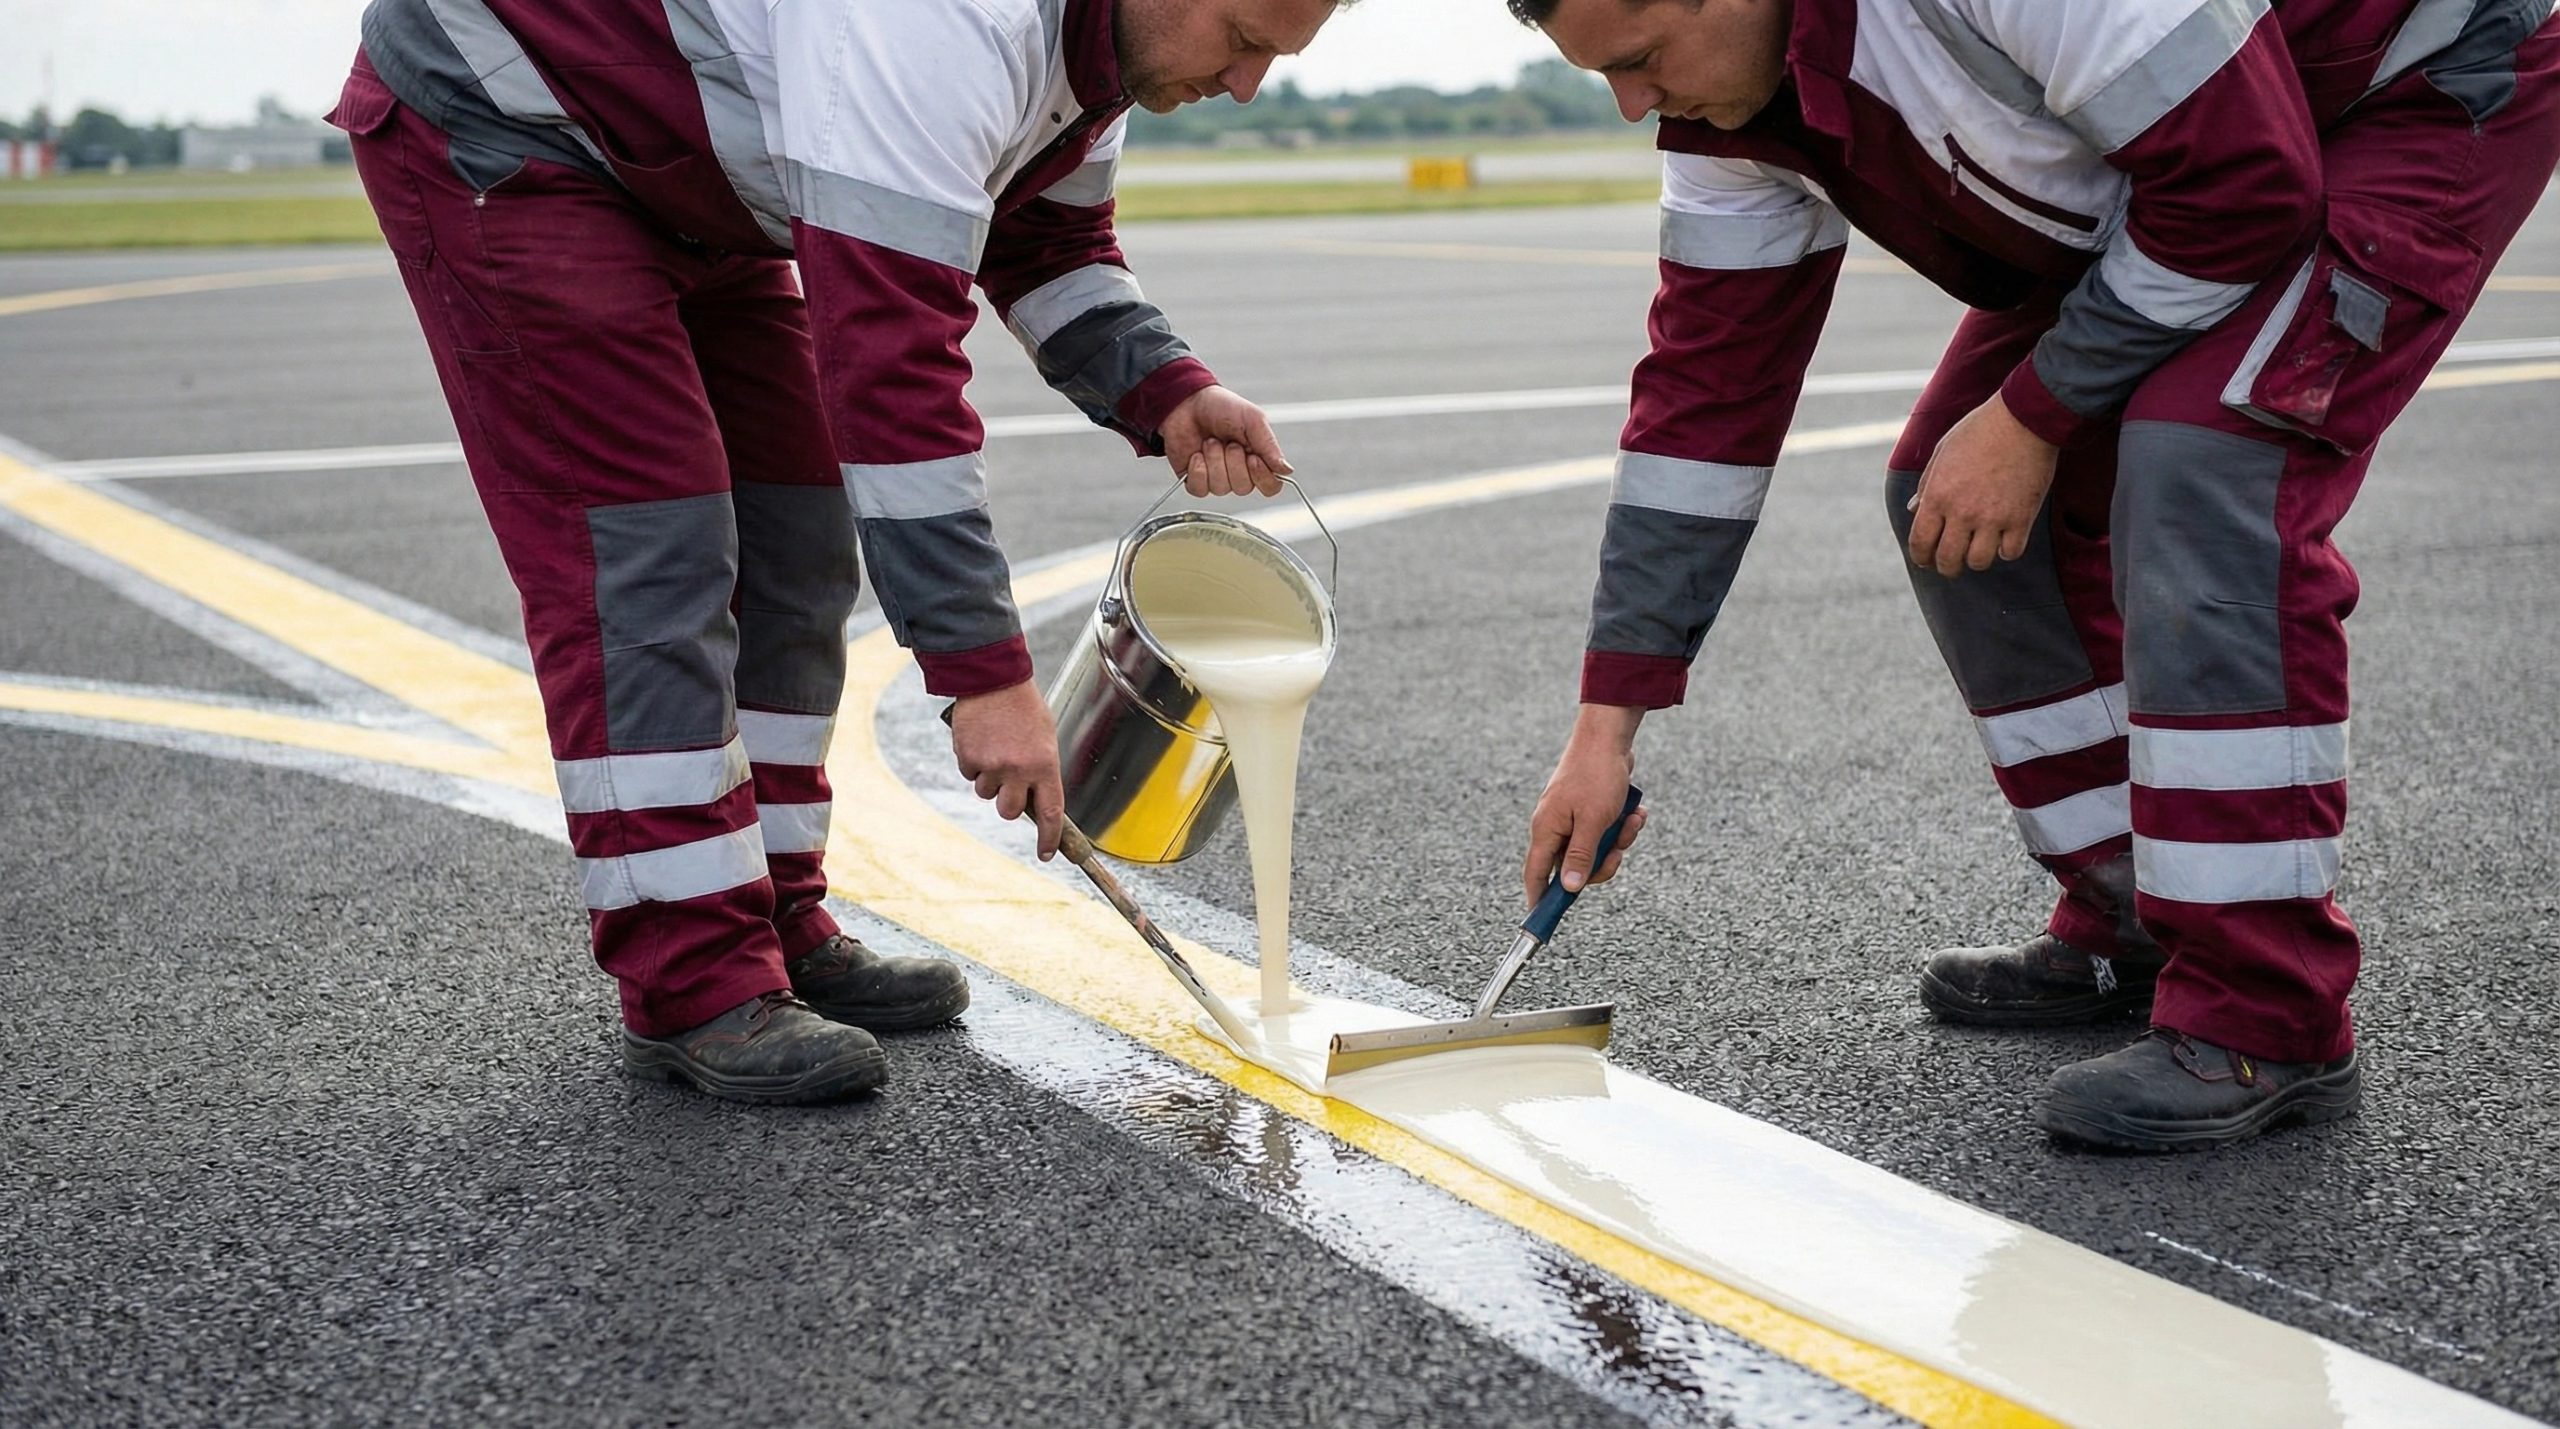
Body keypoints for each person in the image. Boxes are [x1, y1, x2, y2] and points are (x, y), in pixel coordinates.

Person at [1512, 0, 2560, 1148]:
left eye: (1638, 61)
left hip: (2408, 86)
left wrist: (2032, 415)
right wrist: (1604, 730)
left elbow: (2244, 187)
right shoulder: (1727, 131)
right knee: (1945, 501)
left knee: (2204, 464)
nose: (1631, 105)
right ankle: (2136, 916)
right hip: (2205, 152)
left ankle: (2266, 1012)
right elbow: (1701, 417)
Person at [327, 0, 1339, 1105]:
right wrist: (983, 677)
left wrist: (1167, 387)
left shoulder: (1095, 53)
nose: (1247, 84)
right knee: (650, 560)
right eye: (1245, 39)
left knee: (796, 532)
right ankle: (694, 976)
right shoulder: (947, 25)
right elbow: (892, 373)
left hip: (694, 174)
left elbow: (1046, 243)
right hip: (520, 124)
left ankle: (770, 916)